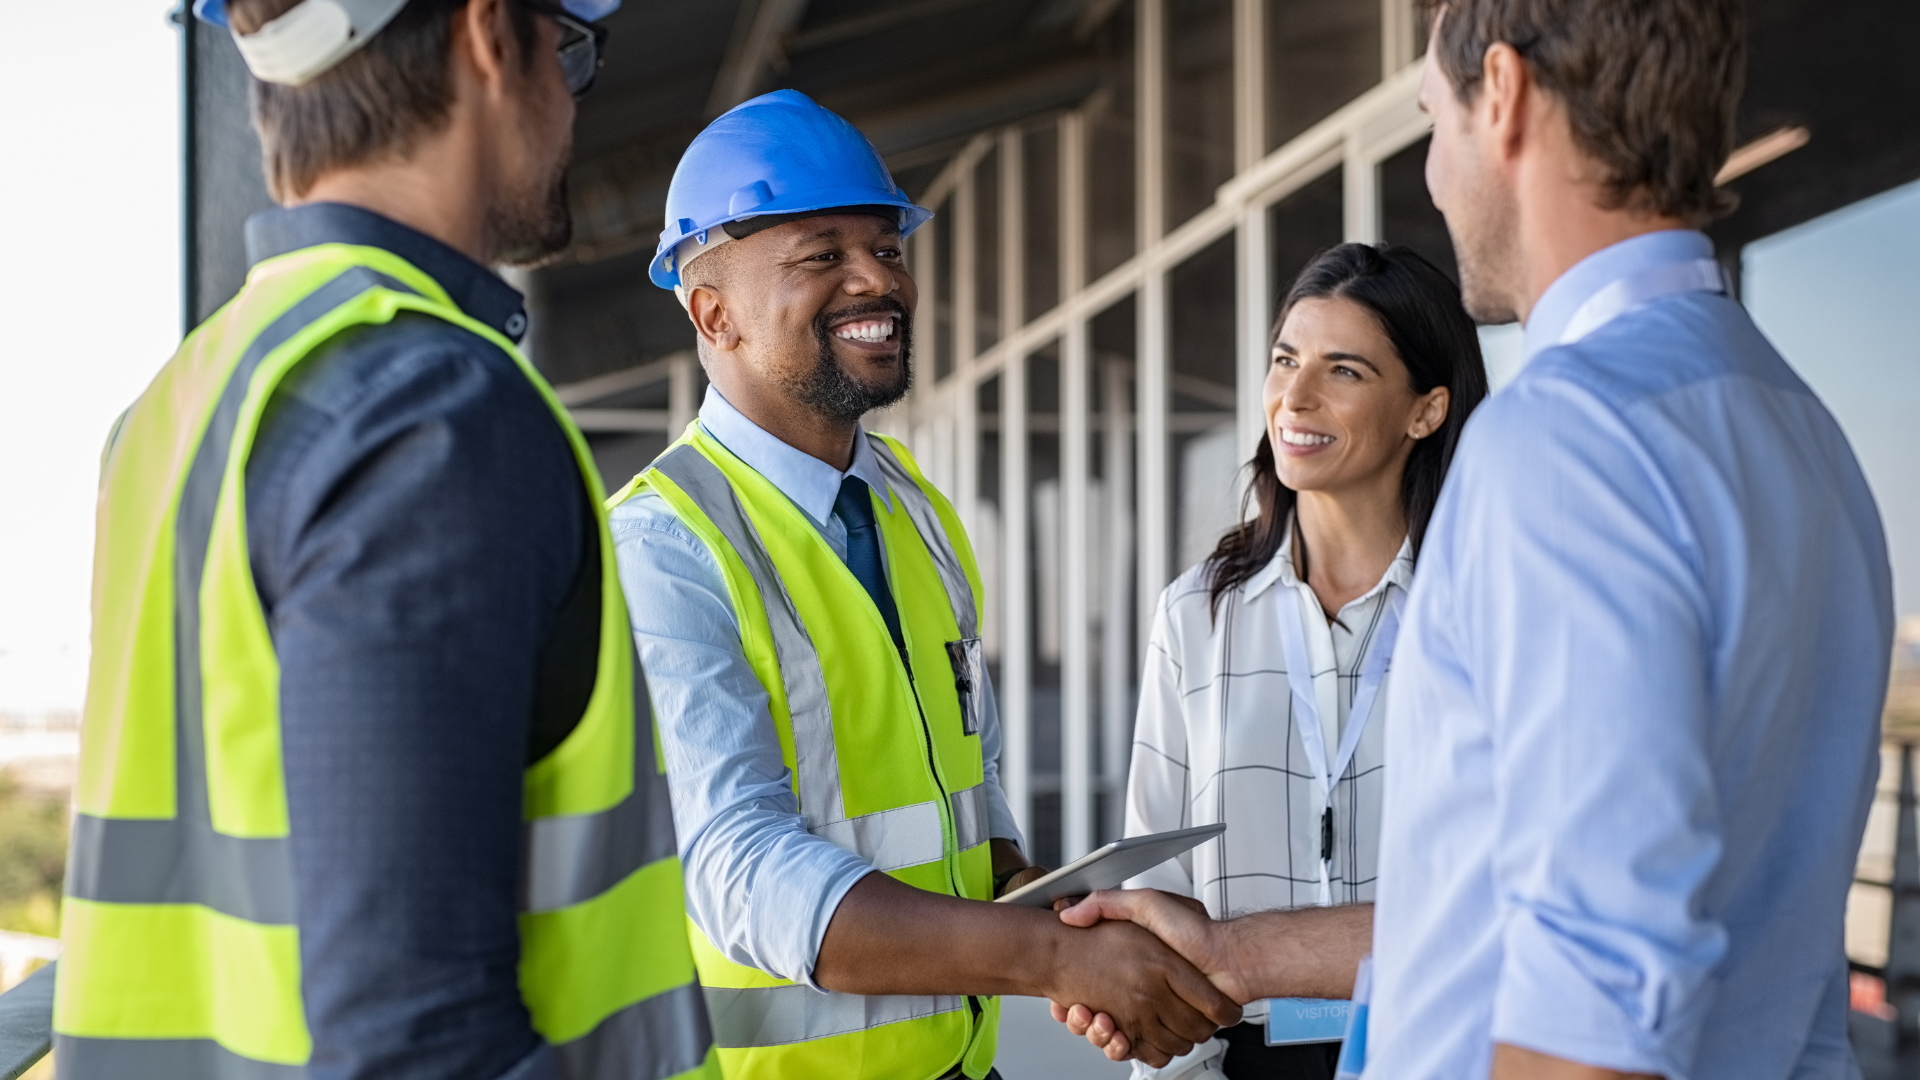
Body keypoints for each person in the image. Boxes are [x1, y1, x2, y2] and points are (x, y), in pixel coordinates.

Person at [1054, 0, 1894, 1077]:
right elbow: (1506, 906)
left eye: (1430, 120)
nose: (1437, 176)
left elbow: (1590, 994)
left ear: (1500, 93)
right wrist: (1236, 955)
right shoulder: (1798, 426)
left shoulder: (1565, 440)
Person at [55, 2, 720, 1078]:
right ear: (488, 35)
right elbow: (419, 1046)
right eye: (570, 47)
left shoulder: (181, 400)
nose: (568, 97)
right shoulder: (429, 412)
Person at [607, 89, 1240, 1080]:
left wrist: (1066, 905)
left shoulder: (913, 510)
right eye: (823, 255)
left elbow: (962, 803)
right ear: (712, 312)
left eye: (889, 248)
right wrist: (1059, 959)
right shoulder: (663, 549)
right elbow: (743, 873)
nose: (878, 281)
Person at [1122, 242, 1486, 1080]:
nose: (1295, 395)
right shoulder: (1196, 614)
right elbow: (1159, 875)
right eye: (1286, 359)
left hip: (1442, 1051)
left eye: (1344, 371)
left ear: (1425, 411)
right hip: (1249, 1058)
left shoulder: (1482, 610)